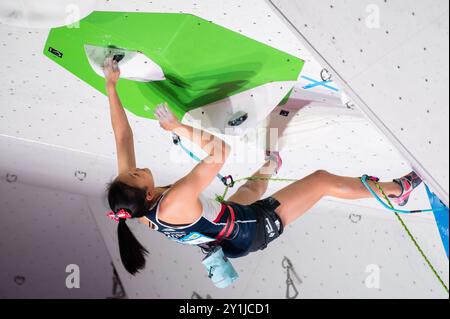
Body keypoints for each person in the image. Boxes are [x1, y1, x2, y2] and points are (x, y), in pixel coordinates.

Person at [103, 57, 423, 275]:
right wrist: (178, 129)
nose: (139, 169)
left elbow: (122, 138)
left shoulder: (135, 206)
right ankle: (397, 191)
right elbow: (218, 151)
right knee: (322, 181)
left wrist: (111, 87)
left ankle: (270, 164)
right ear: (146, 195)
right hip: (248, 232)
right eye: (136, 175)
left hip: (223, 234)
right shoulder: (172, 202)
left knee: (249, 189)